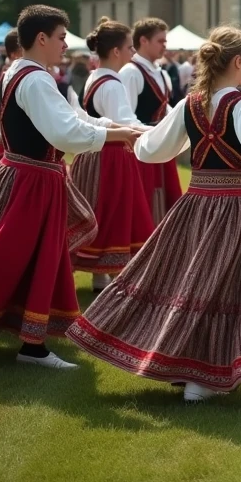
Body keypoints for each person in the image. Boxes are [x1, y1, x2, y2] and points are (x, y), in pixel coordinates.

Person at [68, 26, 241, 403]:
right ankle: (202, 378)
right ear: (239, 62)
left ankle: (184, 366)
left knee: (189, 282)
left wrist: (129, 135)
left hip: (195, 204)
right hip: (232, 205)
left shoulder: (191, 102)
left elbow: (152, 150)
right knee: (221, 287)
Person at [0, 5, 141, 371]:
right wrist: (117, 134)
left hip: (22, 175)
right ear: (41, 38)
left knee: (36, 258)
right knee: (5, 256)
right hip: (30, 181)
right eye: (61, 37)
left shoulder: (16, 73)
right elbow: (65, 132)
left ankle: (31, 344)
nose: (66, 45)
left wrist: (111, 131)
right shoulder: (35, 79)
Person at [69, 19, 155, 291]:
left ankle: (99, 277)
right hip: (111, 154)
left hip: (94, 153)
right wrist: (161, 128)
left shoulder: (96, 77)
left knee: (98, 210)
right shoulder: (112, 83)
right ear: (116, 51)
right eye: (129, 47)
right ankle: (115, 277)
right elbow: (124, 121)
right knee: (114, 213)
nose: (132, 53)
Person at [120, 18, 181, 225]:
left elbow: (166, 109)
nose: (165, 45)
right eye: (160, 41)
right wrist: (152, 133)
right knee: (144, 199)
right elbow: (125, 115)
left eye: (165, 41)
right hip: (139, 148)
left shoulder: (161, 72)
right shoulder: (130, 72)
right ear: (143, 41)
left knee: (163, 195)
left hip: (160, 143)